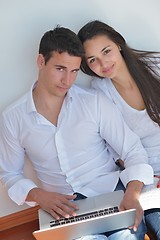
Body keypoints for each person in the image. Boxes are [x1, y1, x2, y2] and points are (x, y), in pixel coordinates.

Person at [0, 26, 153, 240]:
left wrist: (132, 192)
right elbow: (10, 174)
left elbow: (132, 149)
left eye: (74, 71)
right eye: (60, 68)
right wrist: (38, 195)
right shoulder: (13, 118)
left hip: (112, 195)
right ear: (41, 61)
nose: (68, 81)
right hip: (64, 209)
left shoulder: (94, 101)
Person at [78, 20, 160, 239]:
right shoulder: (100, 92)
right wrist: (147, 177)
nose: (103, 63)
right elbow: (119, 150)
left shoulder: (155, 64)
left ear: (119, 45)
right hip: (149, 178)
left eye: (106, 51)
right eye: (93, 60)